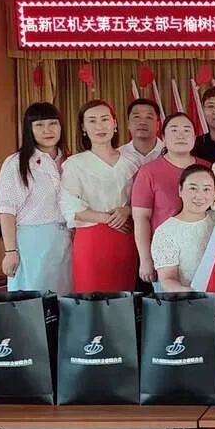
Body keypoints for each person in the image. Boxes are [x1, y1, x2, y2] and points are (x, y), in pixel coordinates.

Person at [60, 99, 141, 292]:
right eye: (92, 121)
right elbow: (69, 207)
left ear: (115, 123)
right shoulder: (74, 164)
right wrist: (108, 218)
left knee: (124, 297)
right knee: (92, 299)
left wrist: (127, 211)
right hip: (91, 240)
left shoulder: (132, 161)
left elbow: (143, 200)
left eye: (105, 119)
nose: (99, 126)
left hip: (125, 236)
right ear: (83, 127)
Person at [0, 102, 71, 293]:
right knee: (34, 299)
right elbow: (7, 211)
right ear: (29, 129)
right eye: (39, 125)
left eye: (53, 123)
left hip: (66, 240)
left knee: (66, 298)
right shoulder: (16, 163)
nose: (47, 130)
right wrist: (10, 251)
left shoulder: (70, 161)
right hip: (32, 243)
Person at [131, 113, 211, 287]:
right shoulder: (148, 172)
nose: (181, 135)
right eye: (174, 130)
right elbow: (141, 218)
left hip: (205, 254)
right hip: (166, 260)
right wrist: (145, 259)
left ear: (194, 137)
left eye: (186, 130)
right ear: (163, 137)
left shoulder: (208, 168)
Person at [151, 164, 215, 292]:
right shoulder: (166, 232)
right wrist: (195, 295)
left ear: (214, 193)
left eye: (206, 189)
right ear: (180, 190)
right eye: (193, 188)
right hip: (189, 300)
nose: (199, 195)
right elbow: (168, 279)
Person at [119, 98, 164, 163]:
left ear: (158, 125)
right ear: (128, 124)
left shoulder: (170, 153)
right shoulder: (119, 155)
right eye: (136, 117)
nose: (142, 122)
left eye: (149, 117)